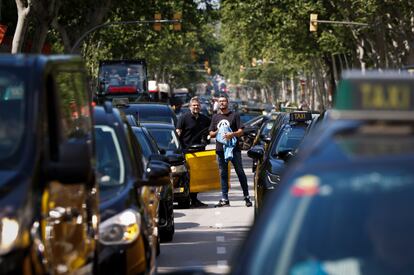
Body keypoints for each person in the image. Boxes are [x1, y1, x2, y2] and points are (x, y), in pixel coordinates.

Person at [209, 94, 252, 207]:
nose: (222, 103)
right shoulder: (215, 117)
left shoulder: (234, 115)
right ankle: (225, 198)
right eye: (220, 101)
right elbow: (211, 134)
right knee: (223, 173)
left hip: (234, 149)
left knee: (240, 172)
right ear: (218, 103)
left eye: (224, 101)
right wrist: (219, 131)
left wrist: (232, 134)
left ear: (228, 103)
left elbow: (241, 131)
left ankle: (247, 197)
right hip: (220, 150)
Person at [176, 96, 211, 208]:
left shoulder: (204, 119)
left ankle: (195, 199)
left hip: (200, 152)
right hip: (187, 151)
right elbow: (178, 133)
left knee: (197, 176)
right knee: (187, 176)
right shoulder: (183, 118)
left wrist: (209, 137)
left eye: (197, 105)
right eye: (194, 105)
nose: (196, 107)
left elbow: (211, 130)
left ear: (200, 107)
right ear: (190, 107)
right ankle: (187, 197)